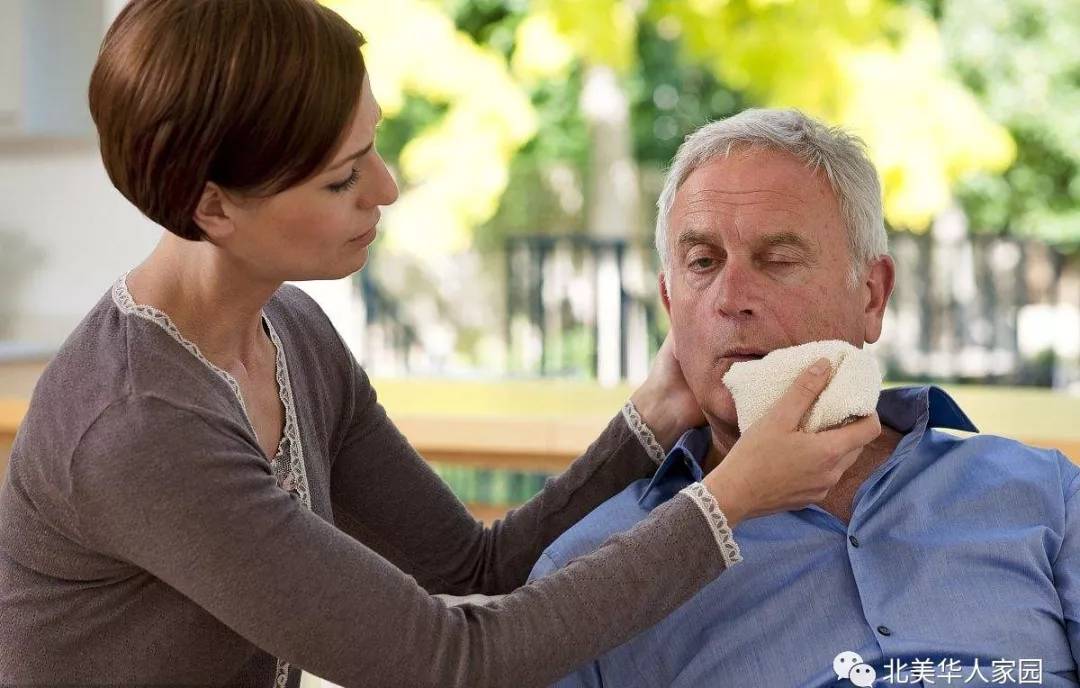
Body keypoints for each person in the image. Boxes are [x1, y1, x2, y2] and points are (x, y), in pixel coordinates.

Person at [0, 3, 882, 687]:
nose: (384, 188)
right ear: (214, 206)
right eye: (343, 177)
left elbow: (476, 570)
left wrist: (653, 418)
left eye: (372, 145)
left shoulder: (288, 333)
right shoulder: (138, 429)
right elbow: (450, 666)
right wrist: (727, 501)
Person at [529, 109, 1080, 687]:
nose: (731, 298)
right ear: (671, 306)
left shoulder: (1045, 495)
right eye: (702, 263)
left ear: (872, 297)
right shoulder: (586, 575)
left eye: (779, 260)